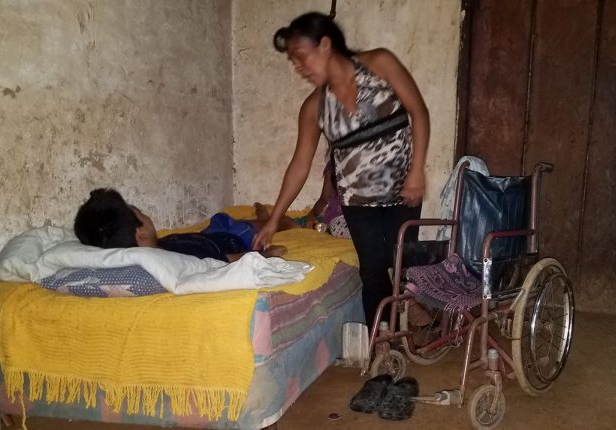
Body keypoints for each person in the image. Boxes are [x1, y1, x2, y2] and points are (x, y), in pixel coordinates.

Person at [252, 12, 430, 326]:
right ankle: (380, 341)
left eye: (301, 56)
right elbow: (299, 165)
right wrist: (275, 218)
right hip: (356, 202)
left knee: (402, 262)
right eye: (293, 61)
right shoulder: (314, 108)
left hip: (403, 189)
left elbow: (419, 112)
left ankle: (408, 305)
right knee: (372, 270)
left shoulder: (380, 64)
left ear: (325, 44)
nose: (299, 67)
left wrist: (417, 171)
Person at [74, 188, 290, 262]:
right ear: (141, 234)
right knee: (272, 224)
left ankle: (263, 213)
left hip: (207, 234)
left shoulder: (156, 248)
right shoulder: (183, 259)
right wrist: (264, 254)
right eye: (142, 214)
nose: (147, 216)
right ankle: (276, 218)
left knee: (225, 219)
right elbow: (230, 259)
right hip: (232, 237)